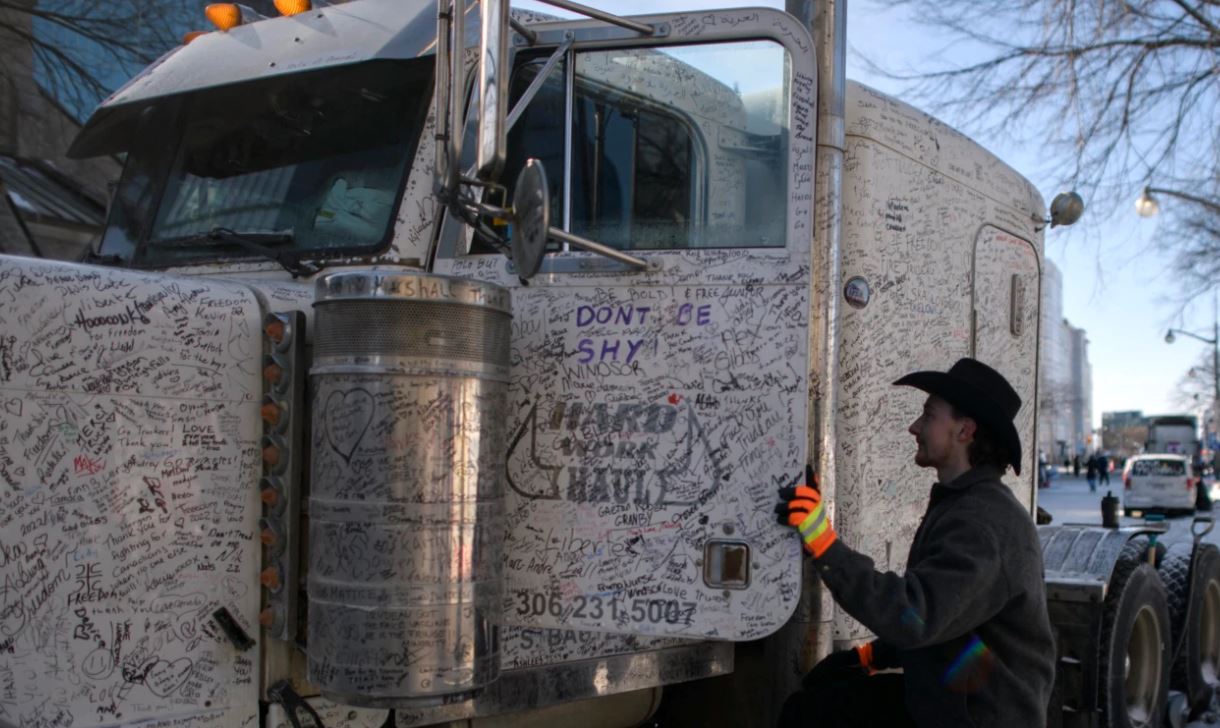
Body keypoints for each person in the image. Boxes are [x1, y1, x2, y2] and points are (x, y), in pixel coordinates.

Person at [777, 358, 1055, 728]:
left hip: (978, 717)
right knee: (818, 707)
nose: (914, 427)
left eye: (928, 415)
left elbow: (915, 616)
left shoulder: (983, 524)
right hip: (950, 703)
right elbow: (955, 625)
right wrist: (869, 656)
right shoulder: (965, 504)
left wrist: (824, 542)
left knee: (809, 716)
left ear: (964, 430)